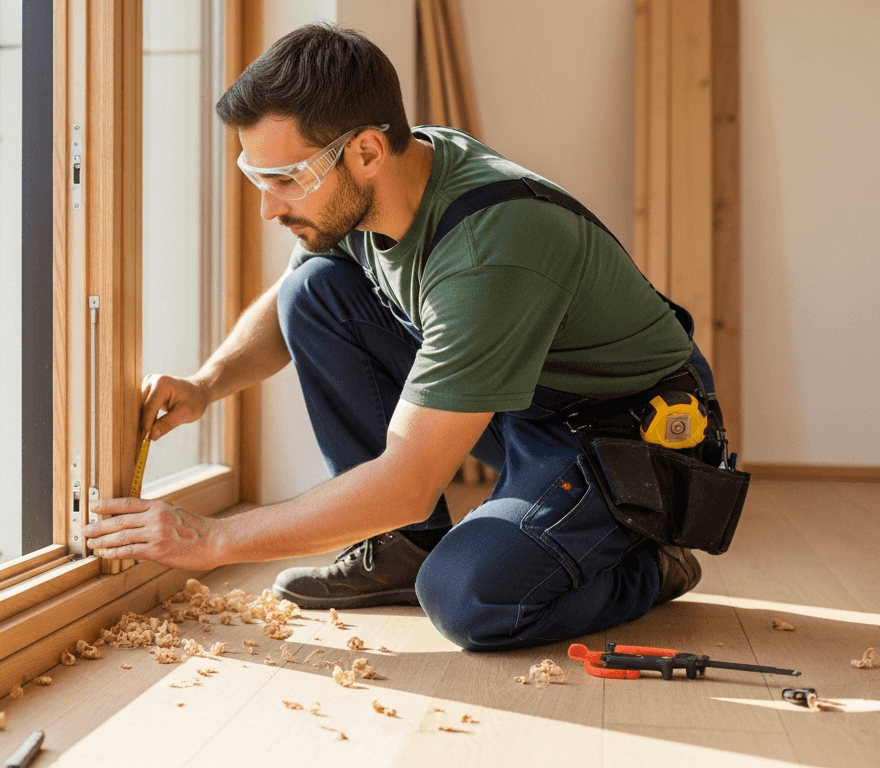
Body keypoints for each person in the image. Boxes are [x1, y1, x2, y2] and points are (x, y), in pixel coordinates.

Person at [83, 22, 720, 651]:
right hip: (526, 401)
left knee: (467, 596)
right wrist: (207, 383)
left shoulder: (488, 249)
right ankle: (402, 546)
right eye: (258, 178)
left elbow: (408, 482)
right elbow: (289, 303)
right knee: (316, 291)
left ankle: (649, 562)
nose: (268, 207)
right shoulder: (392, 175)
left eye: (286, 180)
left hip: (624, 431)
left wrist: (211, 539)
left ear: (365, 151)